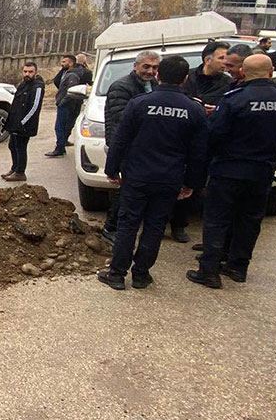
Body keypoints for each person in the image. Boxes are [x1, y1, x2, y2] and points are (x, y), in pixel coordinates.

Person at [97, 55, 209, 290]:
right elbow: (199, 152)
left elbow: (120, 139)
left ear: (159, 75)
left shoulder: (139, 104)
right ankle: (141, 274)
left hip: (137, 175)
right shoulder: (194, 109)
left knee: (128, 224)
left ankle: (117, 274)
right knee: (155, 226)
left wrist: (112, 169)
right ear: (185, 78)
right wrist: (192, 183)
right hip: (169, 178)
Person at [187, 54, 276, 288]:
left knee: (217, 219)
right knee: (249, 220)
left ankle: (209, 270)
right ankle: (238, 267)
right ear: (271, 72)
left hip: (229, 170)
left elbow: (215, 135)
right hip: (262, 171)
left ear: (242, 73)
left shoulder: (233, 100)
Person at [172, 40, 234, 243]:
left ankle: (182, 224)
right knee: (175, 181)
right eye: (222, 57)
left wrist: (216, 111)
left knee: (196, 185)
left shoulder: (228, 83)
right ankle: (171, 221)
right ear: (208, 59)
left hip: (210, 140)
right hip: (181, 138)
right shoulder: (186, 78)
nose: (226, 62)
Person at [99, 50, 160, 239]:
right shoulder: (121, 87)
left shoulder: (154, 85)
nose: (150, 71)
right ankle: (111, 227)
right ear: (136, 66)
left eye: (155, 67)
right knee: (124, 188)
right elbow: (122, 120)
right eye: (146, 67)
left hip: (145, 147)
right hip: (126, 146)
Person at [2, 61, 44, 182]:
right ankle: (14, 168)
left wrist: (23, 122)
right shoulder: (23, 84)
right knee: (12, 146)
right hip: (16, 122)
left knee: (20, 147)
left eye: (30, 72)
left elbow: (35, 107)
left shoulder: (37, 87)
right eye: (25, 71)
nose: (27, 74)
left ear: (35, 72)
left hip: (25, 125)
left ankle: (20, 172)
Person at [46, 53, 92, 157]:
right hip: (74, 103)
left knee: (60, 126)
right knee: (67, 125)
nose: (61, 64)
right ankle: (63, 142)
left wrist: (62, 101)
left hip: (67, 103)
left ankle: (59, 149)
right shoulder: (73, 72)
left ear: (71, 63)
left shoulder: (72, 74)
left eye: (64, 62)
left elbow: (71, 90)